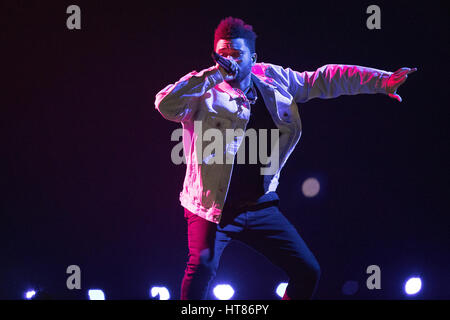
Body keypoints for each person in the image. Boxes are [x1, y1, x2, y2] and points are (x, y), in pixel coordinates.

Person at [154, 17, 416, 300]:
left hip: (258, 206)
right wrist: (213, 76)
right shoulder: (204, 87)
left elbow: (324, 79)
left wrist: (382, 81)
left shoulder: (273, 80)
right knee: (201, 267)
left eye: (236, 55)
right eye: (222, 55)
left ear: (253, 58)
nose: (228, 61)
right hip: (210, 207)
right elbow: (166, 104)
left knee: (307, 271)